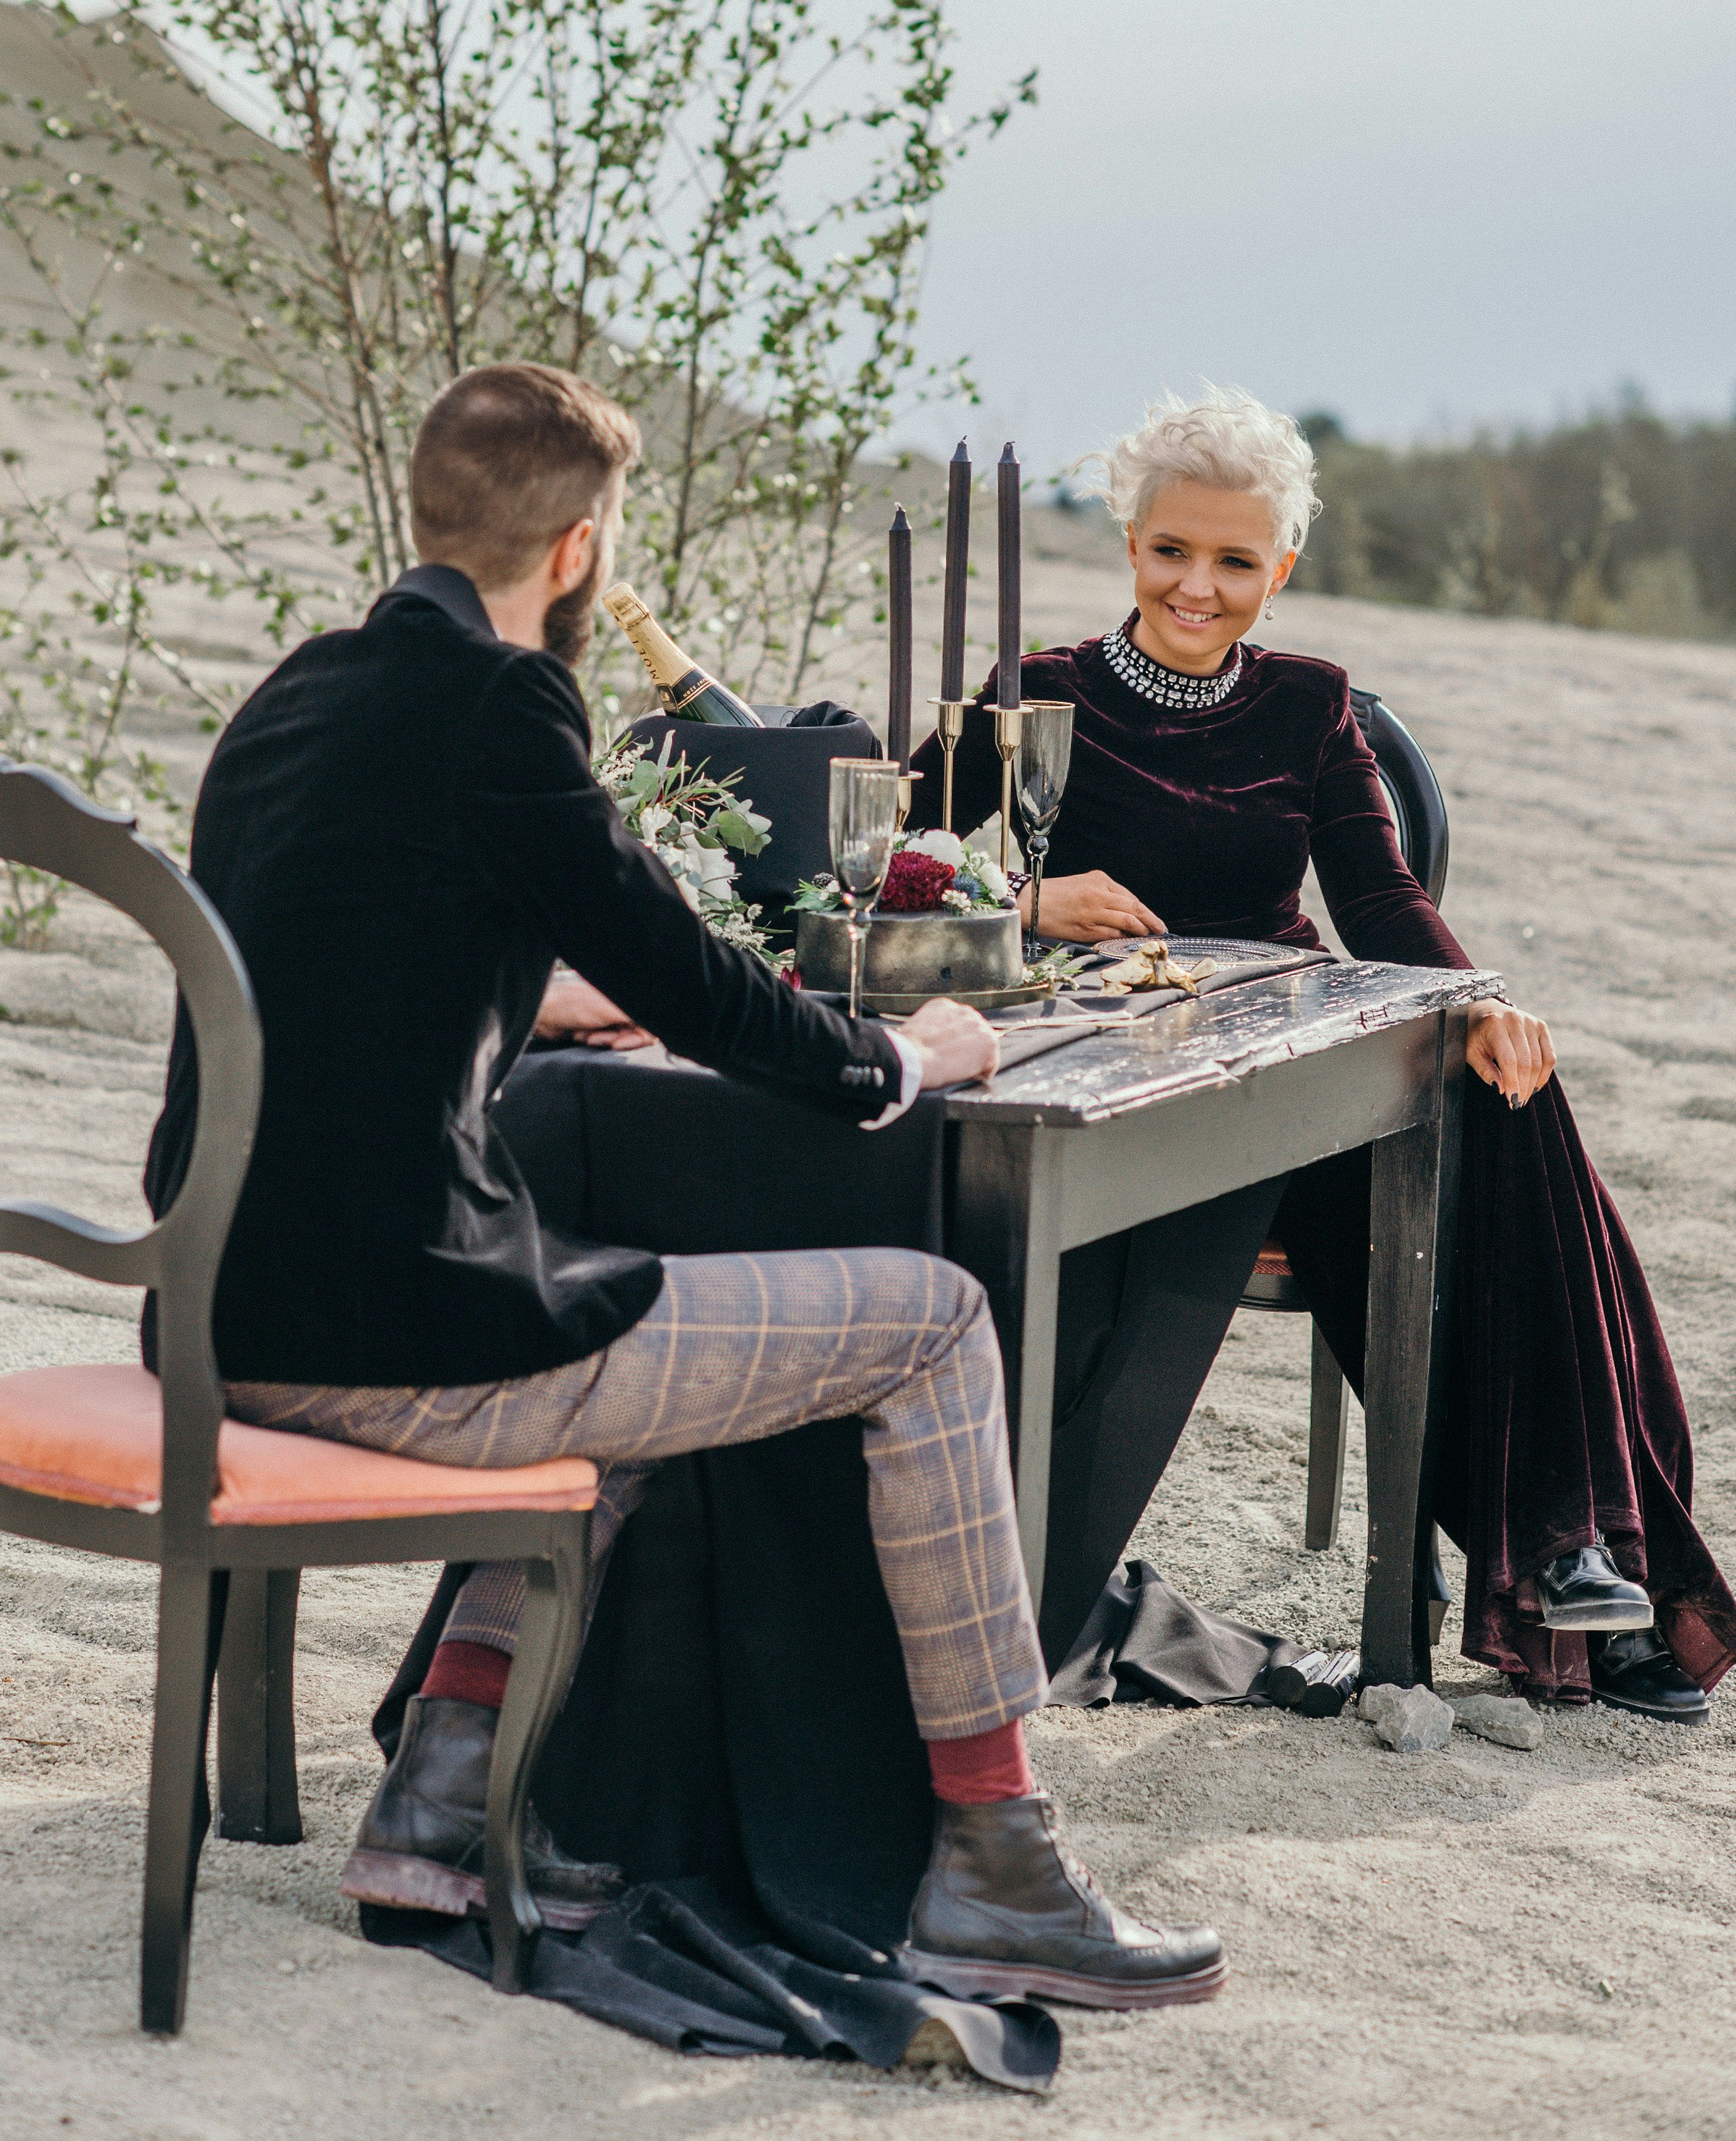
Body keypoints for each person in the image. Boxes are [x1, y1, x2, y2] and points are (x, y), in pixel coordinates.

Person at [143, 360, 1225, 2013]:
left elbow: (327, 955)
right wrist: (908, 1060)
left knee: (618, 1293)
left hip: (215, 1307)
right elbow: (708, 987)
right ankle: (998, 1862)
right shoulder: (506, 707)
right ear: (579, 550)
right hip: (392, 1345)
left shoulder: (303, 691)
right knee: (932, 1325)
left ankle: (441, 1793)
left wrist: (535, 1001)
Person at [910, 386, 1735, 1721]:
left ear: (1278, 569)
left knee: (1510, 1076)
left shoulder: (1309, 705)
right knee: (1442, 1110)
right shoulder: (1030, 697)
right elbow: (897, 889)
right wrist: (1018, 905)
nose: (1198, 584)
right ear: (1130, 544)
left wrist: (1480, 1001)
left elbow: (1381, 899)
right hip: (1110, 1082)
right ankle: (1554, 1544)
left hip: (1290, 1073)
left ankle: (1587, 1560)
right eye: (1173, 550)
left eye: (1236, 560)